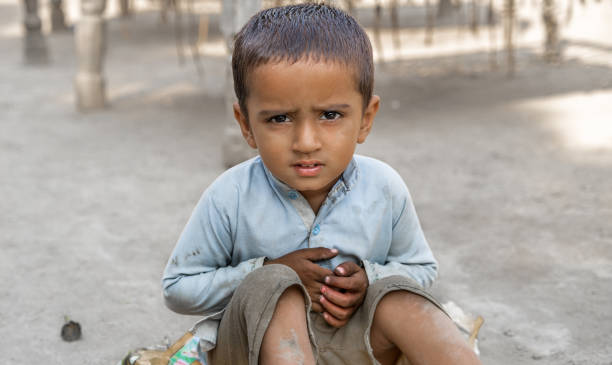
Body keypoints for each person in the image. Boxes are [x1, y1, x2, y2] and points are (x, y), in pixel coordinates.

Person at [162, 4, 481, 365]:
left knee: (397, 296)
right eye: (279, 118)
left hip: (355, 346)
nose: (306, 141)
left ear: (365, 118)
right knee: (276, 286)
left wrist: (369, 279)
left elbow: (421, 270)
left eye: (331, 115)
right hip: (257, 350)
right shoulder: (230, 195)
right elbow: (178, 288)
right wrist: (265, 271)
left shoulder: (384, 187)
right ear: (246, 124)